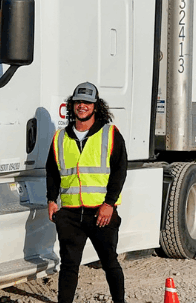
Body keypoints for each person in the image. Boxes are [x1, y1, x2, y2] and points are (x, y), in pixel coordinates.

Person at [46, 81, 128, 303]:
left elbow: (120, 171)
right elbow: (52, 172)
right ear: (72, 105)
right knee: (69, 266)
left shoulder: (110, 134)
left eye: (87, 102)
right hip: (70, 214)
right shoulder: (59, 137)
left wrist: (109, 204)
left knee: (110, 261)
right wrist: (51, 200)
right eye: (78, 102)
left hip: (101, 213)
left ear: (96, 106)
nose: (82, 106)